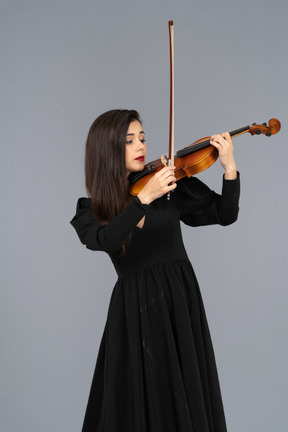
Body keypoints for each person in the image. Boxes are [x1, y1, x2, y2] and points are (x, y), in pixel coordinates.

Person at [70, 109, 240, 432]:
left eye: (143, 138)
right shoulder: (92, 209)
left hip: (180, 301)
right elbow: (107, 239)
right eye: (129, 140)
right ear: (107, 150)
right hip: (135, 312)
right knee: (140, 404)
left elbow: (224, 213)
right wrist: (143, 199)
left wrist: (229, 168)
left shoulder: (168, 185)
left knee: (186, 396)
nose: (140, 146)